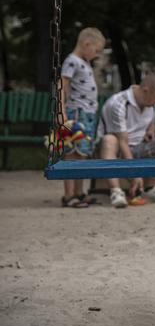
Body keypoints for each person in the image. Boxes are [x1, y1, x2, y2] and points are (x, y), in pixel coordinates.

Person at [95, 71, 155, 207]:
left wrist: (151, 131)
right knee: (109, 140)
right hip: (116, 151)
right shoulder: (117, 103)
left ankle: (151, 188)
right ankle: (116, 191)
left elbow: (151, 122)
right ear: (145, 90)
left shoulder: (152, 103)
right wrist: (134, 173)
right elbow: (122, 141)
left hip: (139, 146)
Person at [58, 27, 106, 208]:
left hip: (87, 114)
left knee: (82, 153)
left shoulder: (83, 62)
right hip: (76, 113)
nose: (96, 55)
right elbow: (61, 86)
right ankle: (68, 195)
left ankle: (79, 192)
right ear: (87, 44)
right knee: (72, 153)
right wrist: (61, 112)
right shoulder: (72, 61)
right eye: (96, 50)